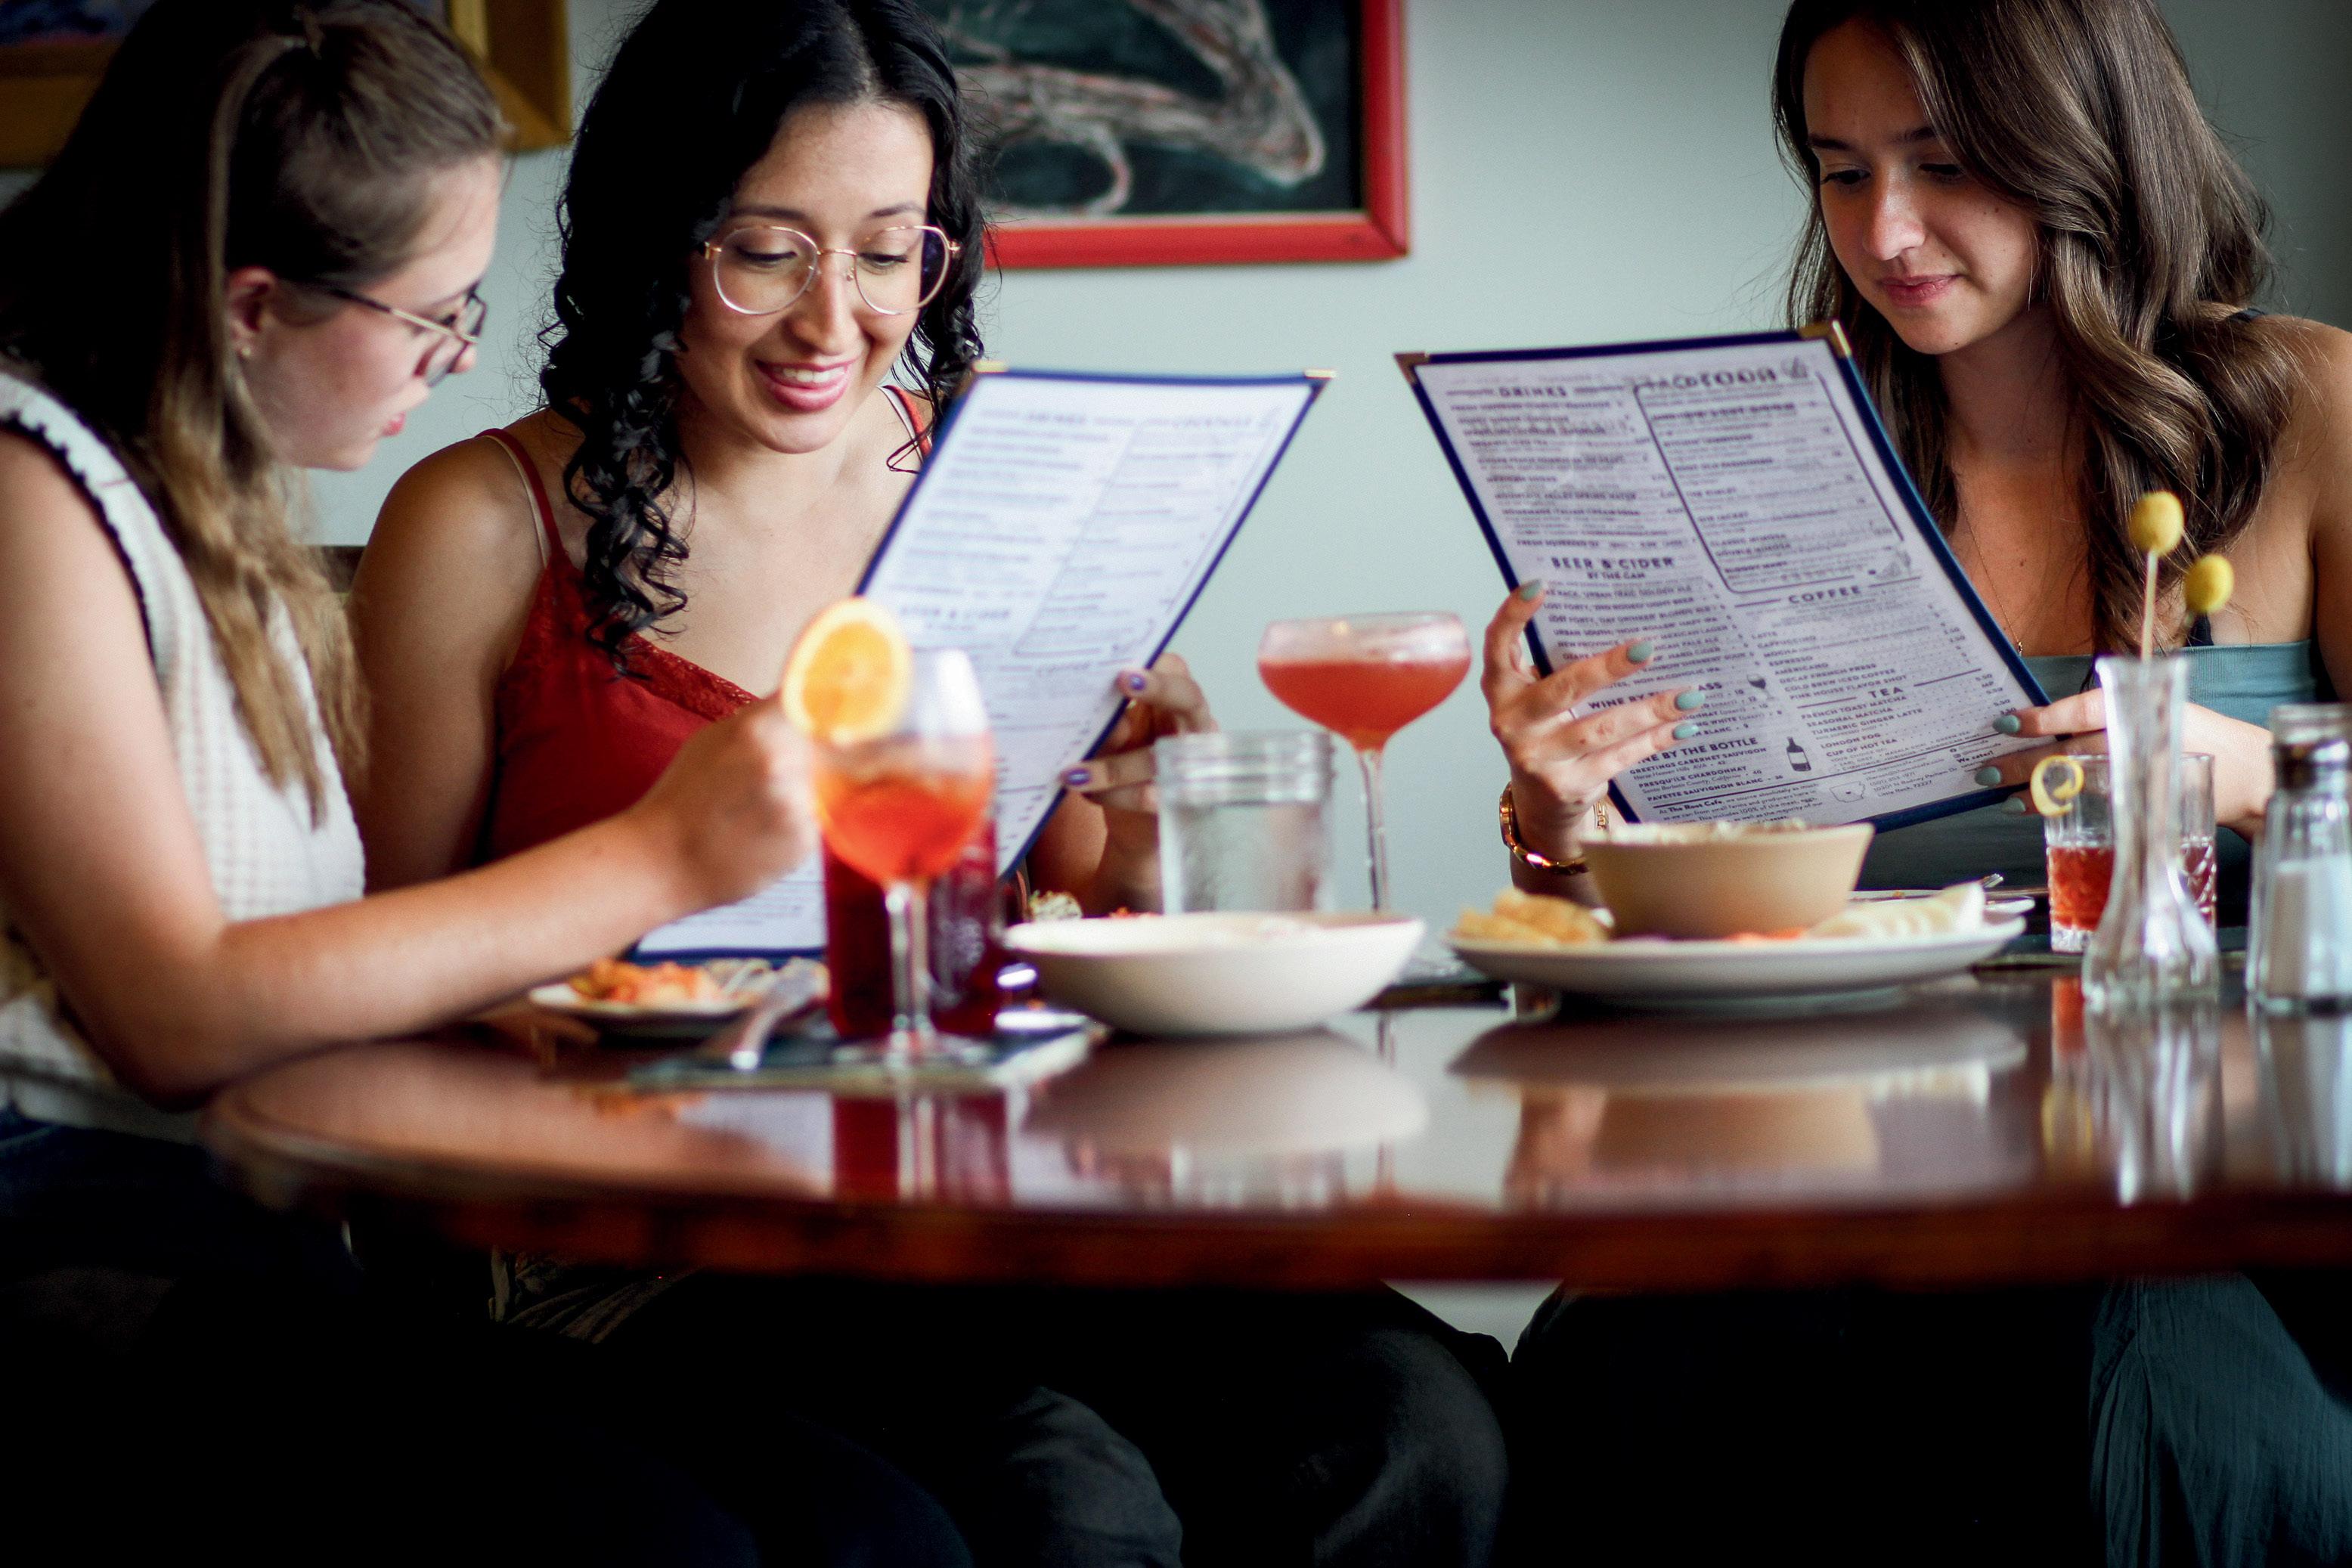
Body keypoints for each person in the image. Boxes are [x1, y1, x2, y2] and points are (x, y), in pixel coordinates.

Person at [350, 3, 1510, 1563]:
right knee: (1058, 1493)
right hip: (674, 1239)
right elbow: (389, 976)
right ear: (651, 238)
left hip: (1019, 1193)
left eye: (889, 252)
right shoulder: (480, 524)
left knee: (1403, 1421)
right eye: (766, 252)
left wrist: (1147, 821)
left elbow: (1078, 898)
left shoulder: (991, 474)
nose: (833, 320)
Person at [0, 4, 971, 1561]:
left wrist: (532, 998)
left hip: (263, 1232)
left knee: (878, 1525)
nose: (457, 359)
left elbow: (315, 953)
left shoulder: (201, 506)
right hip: (84, 1244)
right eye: (433, 316)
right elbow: (172, 1018)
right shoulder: (28, 495)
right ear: (254, 305)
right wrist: (660, 857)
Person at [1487, 1, 2352, 1562]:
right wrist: (1567, 829)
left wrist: (2246, 770)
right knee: (1620, 1381)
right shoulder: (1766, 460)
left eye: (1943, 165)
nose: (1884, 231)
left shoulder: (2311, 409)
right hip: (1834, 1176)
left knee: (2137, 1412)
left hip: (2226, 1191)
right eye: (1840, 171)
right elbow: (1683, 937)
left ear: (2085, 151)